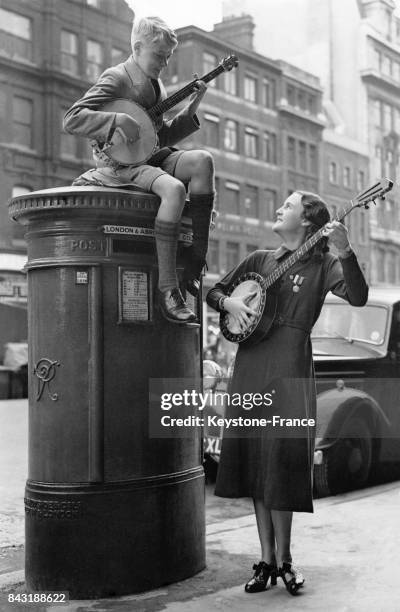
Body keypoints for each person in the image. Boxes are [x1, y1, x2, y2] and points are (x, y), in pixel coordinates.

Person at [206, 190, 368, 596]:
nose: (279, 209)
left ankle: (287, 559)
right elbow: (213, 293)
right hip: (250, 365)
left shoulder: (325, 263)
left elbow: (359, 296)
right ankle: (266, 561)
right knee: (256, 463)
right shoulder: (261, 260)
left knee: (280, 461)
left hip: (290, 365)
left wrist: (346, 252)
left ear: (308, 221)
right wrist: (230, 304)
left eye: (289, 206)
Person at [63, 16, 215, 324]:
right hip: (121, 166)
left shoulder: (155, 85)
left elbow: (158, 137)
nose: (164, 63)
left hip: (148, 158)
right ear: (137, 47)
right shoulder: (117, 78)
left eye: (168, 57)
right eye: (159, 56)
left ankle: (195, 260)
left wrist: (192, 108)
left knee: (203, 161)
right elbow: (72, 118)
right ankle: (168, 288)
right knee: (173, 189)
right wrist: (116, 120)